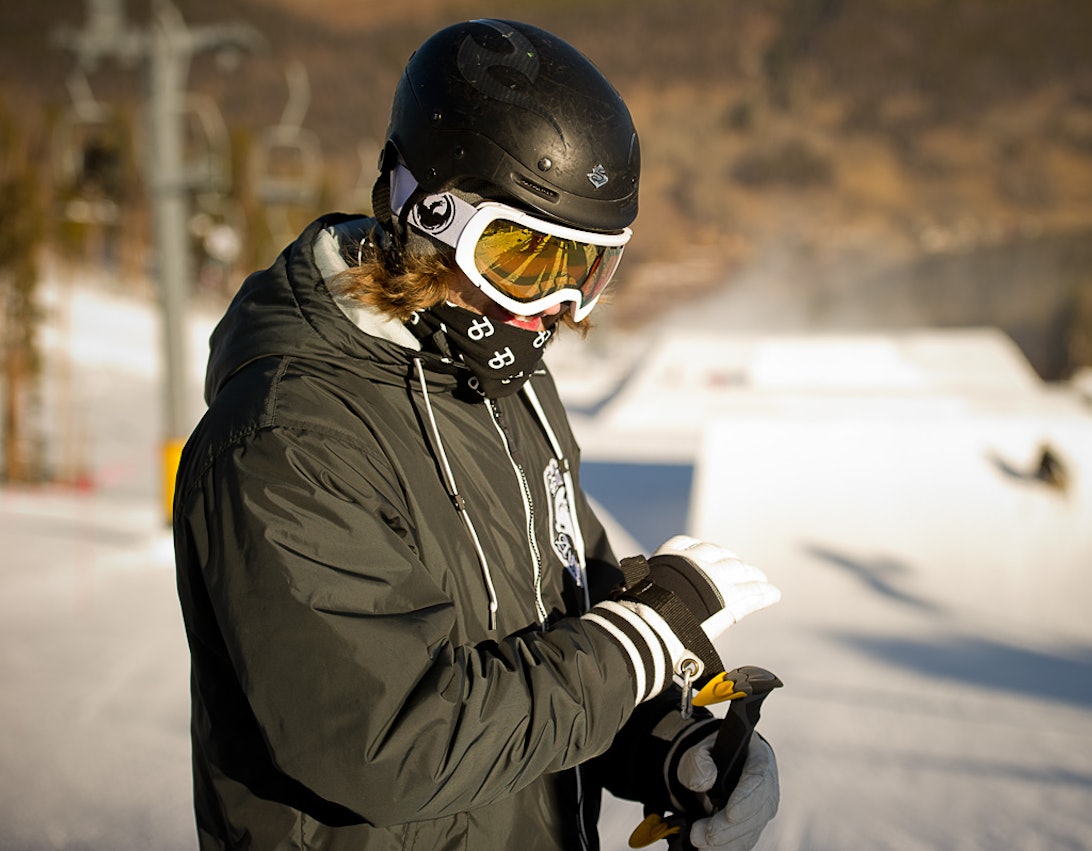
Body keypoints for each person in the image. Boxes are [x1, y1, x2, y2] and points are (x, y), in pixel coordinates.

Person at [172, 18, 783, 851]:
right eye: (524, 261)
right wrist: (639, 643)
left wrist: (667, 746)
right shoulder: (286, 441)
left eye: (586, 270)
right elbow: (394, 743)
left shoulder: (503, 378)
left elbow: (562, 621)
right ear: (423, 211)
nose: (552, 310)